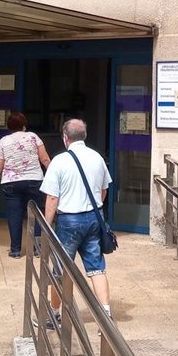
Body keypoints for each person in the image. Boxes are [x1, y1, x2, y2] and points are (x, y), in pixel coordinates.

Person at [41, 118, 113, 322]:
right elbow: (104, 190)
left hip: (68, 221)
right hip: (94, 218)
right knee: (97, 268)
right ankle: (105, 313)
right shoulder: (97, 158)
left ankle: (54, 314)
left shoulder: (59, 161)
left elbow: (52, 198)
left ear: (65, 137)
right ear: (85, 136)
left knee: (61, 268)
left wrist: (47, 224)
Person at [0, 111, 51, 258]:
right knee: (37, 213)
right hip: (34, 180)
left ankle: (15, 250)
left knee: (14, 215)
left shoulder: (3, 141)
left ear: (9, 126)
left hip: (11, 183)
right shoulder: (33, 137)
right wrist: (52, 176)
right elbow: (45, 159)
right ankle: (37, 248)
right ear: (24, 125)